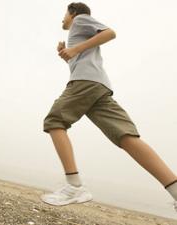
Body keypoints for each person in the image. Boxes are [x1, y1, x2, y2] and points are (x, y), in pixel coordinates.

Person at [40, 2, 177, 212]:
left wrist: (74, 48)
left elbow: (110, 33)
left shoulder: (79, 20)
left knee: (54, 120)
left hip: (85, 84)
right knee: (126, 136)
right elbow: (83, 61)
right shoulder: (78, 33)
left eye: (64, 14)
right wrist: (67, 53)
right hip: (98, 86)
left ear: (73, 13)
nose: (63, 19)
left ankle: (74, 185)